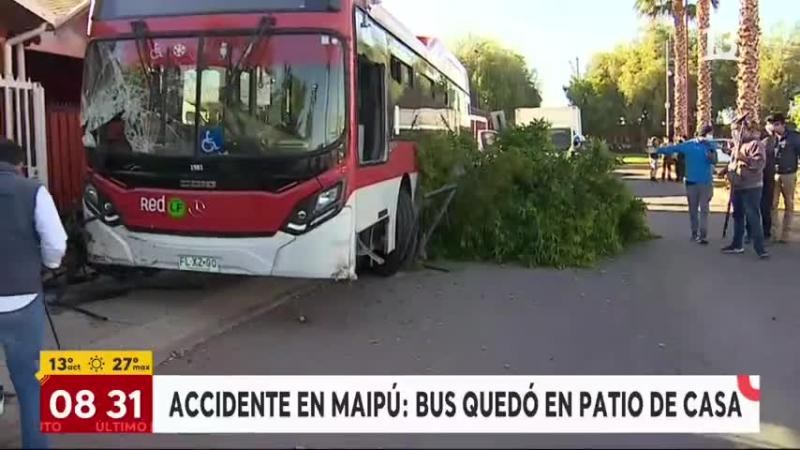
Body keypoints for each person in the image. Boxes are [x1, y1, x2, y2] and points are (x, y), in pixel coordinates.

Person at [0, 138, 67, 449]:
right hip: (23, 300)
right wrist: (46, 265)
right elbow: (55, 243)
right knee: (29, 384)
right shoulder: (33, 191)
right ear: (19, 164)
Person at [654, 125, 718, 244]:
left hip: (706, 183)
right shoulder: (689, 145)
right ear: (703, 134)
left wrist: (711, 155)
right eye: (709, 134)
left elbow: (715, 161)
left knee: (704, 209)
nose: (710, 136)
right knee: (693, 210)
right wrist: (657, 150)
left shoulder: (710, 146)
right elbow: (673, 148)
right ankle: (695, 233)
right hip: (691, 183)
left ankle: (703, 235)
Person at [721, 118, 769, 258]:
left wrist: (744, 158)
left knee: (753, 216)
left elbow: (759, 164)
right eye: (733, 131)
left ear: (746, 130)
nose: (735, 133)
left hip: (752, 187)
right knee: (738, 215)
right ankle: (737, 244)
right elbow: (734, 163)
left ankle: (760, 249)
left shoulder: (756, 144)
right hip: (738, 185)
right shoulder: (737, 146)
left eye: (736, 130)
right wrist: (725, 170)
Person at [767, 113, 800, 243]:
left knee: (789, 204)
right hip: (774, 174)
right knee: (773, 204)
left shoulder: (794, 137)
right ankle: (774, 233)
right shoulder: (771, 138)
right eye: (772, 125)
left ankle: (785, 234)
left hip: (788, 174)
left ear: (782, 124)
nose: (774, 127)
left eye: (776, 124)